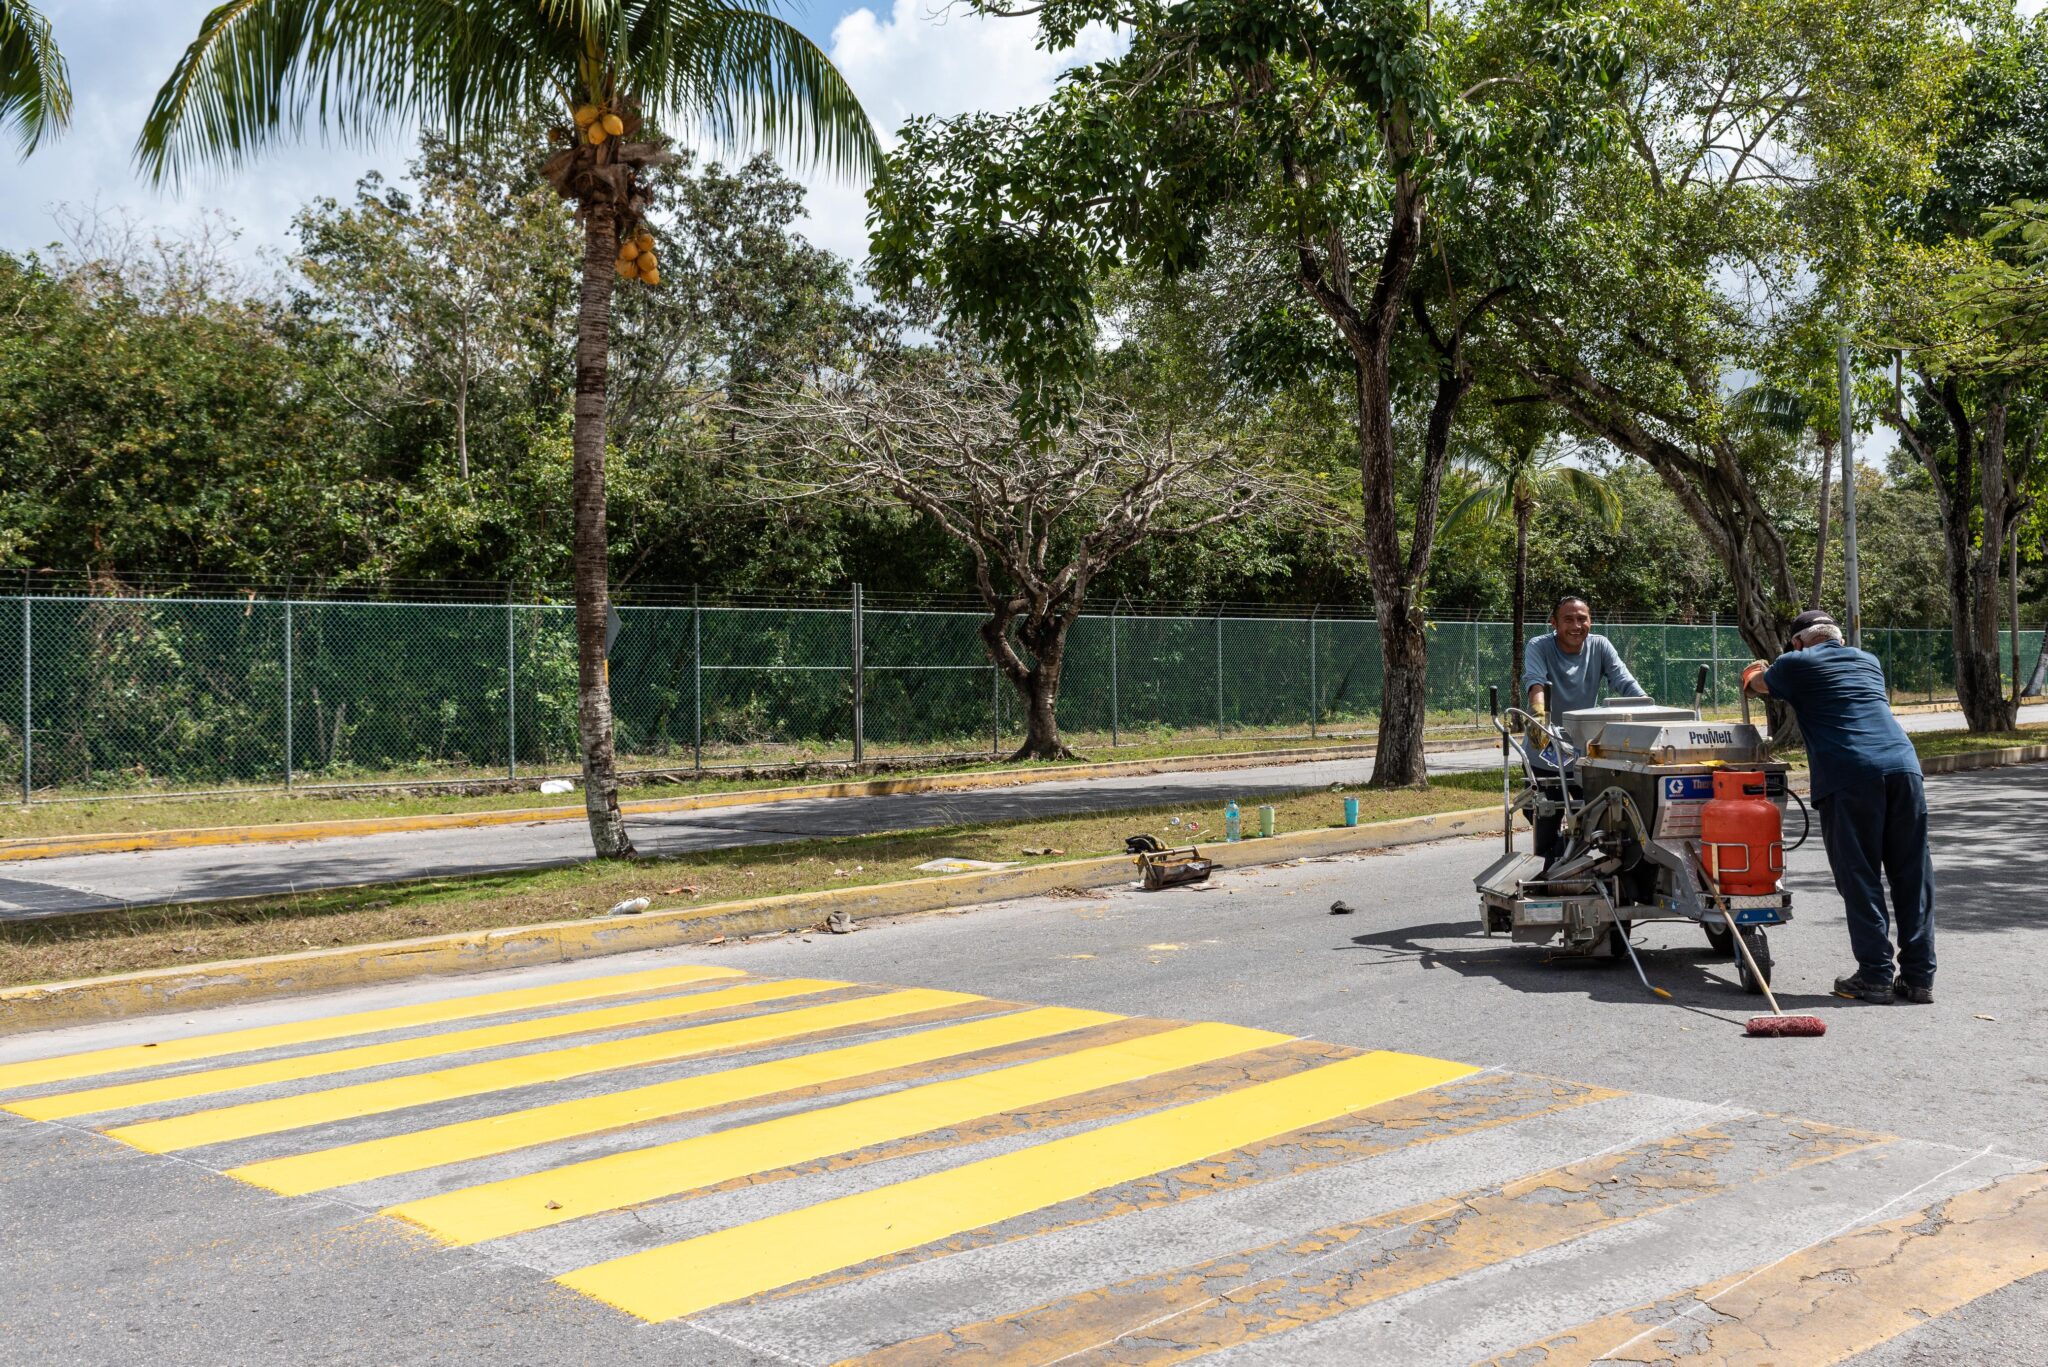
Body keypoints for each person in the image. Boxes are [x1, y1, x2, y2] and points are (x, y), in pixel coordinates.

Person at [1742, 609, 1934, 1004]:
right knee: (1912, 875)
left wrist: (1755, 671)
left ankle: (1875, 976)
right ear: (1838, 638)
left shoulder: (1795, 663)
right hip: (1904, 768)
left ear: (1798, 642)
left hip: (1850, 775)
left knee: (1859, 876)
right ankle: (1919, 978)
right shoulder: (1869, 661)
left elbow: (1757, 684)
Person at [1523, 594, 1649, 862]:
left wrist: (1648, 709)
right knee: (1545, 816)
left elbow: (1624, 681)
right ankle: (1552, 867)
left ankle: (1581, 864)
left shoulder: (1600, 645)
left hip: (1584, 753)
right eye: (1568, 619)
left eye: (1582, 619)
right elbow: (1535, 683)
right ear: (1554, 623)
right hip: (1546, 747)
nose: (1576, 626)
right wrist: (1538, 715)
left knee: (1599, 819)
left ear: (1590, 621)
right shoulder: (1539, 646)